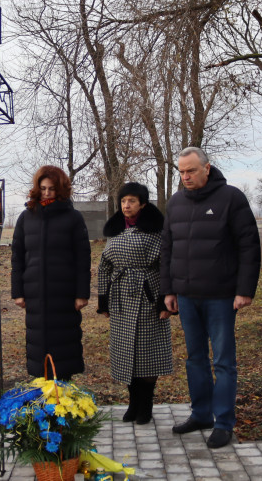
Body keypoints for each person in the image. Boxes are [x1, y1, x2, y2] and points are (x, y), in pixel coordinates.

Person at [160, 147, 260, 449]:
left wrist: (244, 290)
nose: (185, 176)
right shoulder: (175, 202)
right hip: (186, 296)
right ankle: (201, 414)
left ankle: (224, 422)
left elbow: (249, 246)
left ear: (207, 168)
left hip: (221, 296)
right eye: (181, 171)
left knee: (223, 361)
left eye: (191, 170)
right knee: (195, 359)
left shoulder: (231, 198)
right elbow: (167, 248)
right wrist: (169, 289)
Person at [97, 182, 172, 425]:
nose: (126, 205)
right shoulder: (115, 230)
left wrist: (164, 302)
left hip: (148, 298)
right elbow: (104, 266)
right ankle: (133, 403)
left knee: (147, 354)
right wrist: (103, 300)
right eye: (123, 201)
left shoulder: (156, 231)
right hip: (120, 300)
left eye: (131, 201)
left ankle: (146, 405)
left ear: (143, 204)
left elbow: (165, 267)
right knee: (125, 353)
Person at [11, 165, 91, 381]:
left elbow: (83, 258)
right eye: (43, 188)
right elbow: (17, 257)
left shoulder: (73, 218)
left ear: (60, 189)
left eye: (52, 189)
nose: (47, 193)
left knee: (64, 347)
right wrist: (18, 292)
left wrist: (82, 294)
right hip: (34, 294)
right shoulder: (26, 217)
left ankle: (63, 393)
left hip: (64, 294)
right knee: (38, 347)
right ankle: (42, 392)